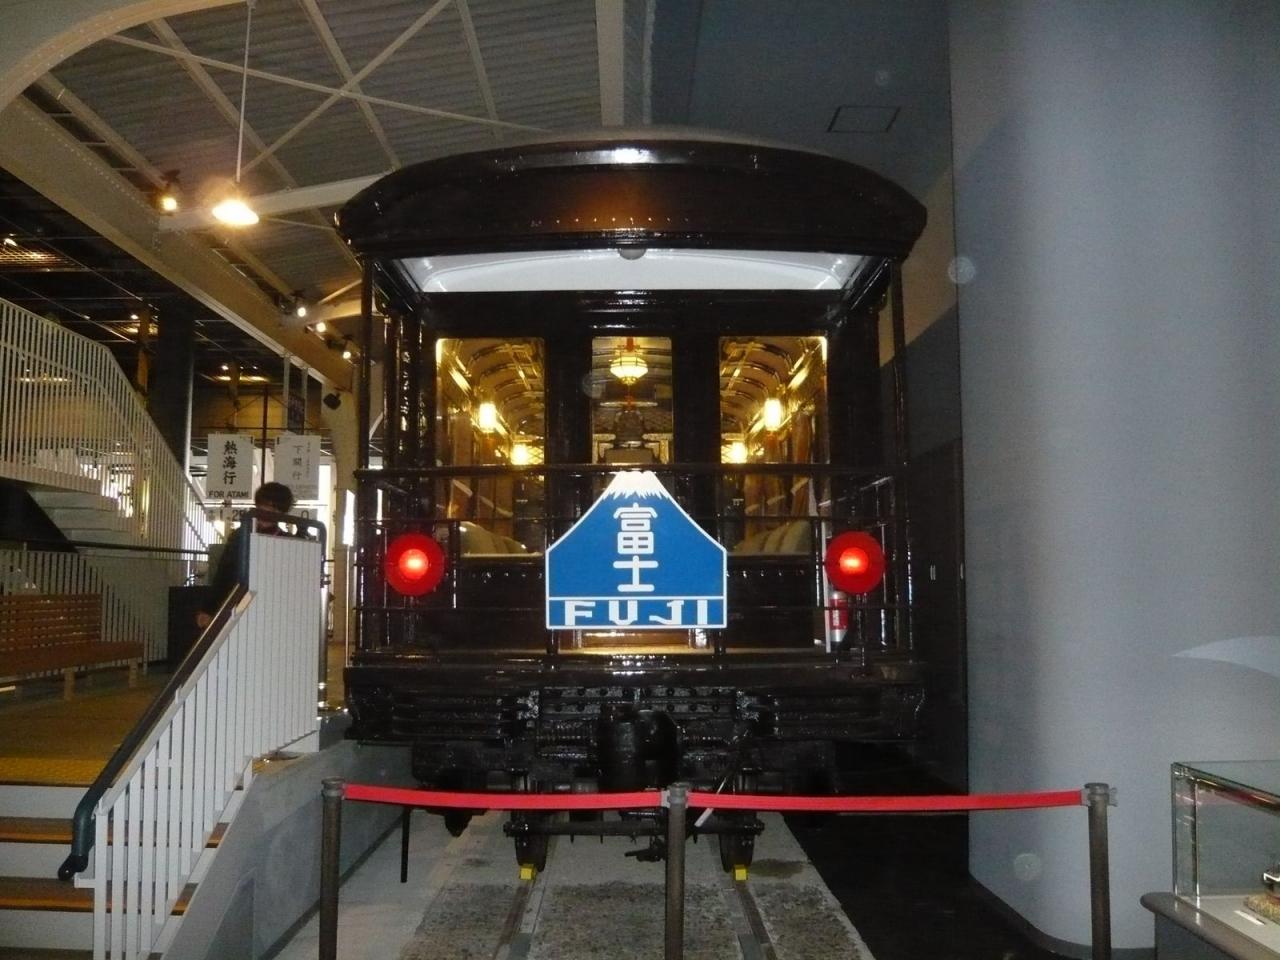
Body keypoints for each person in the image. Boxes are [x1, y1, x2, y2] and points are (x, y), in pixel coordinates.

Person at [196, 482, 294, 628]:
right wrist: (208, 609)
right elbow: (224, 574)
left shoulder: (289, 542)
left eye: (274, 508)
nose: (266, 512)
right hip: (241, 603)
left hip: (274, 609)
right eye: (263, 506)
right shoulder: (240, 536)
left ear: (282, 512)